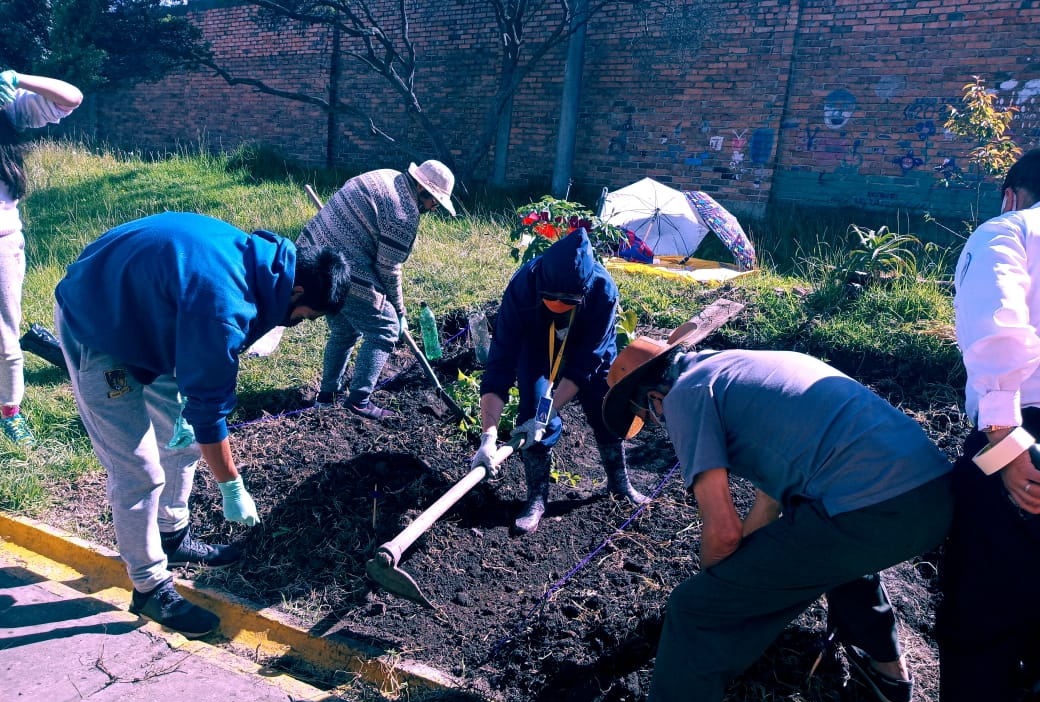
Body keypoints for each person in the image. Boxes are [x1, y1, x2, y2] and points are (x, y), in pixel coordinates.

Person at [579, 334, 953, 702]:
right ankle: (888, 674)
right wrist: (739, 576)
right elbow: (771, 503)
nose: (657, 421)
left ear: (652, 397)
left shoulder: (684, 396)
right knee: (825, 544)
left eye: (648, 416)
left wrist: (715, 592)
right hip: (931, 493)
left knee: (694, 611)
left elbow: (722, 530)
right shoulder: (743, 367)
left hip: (870, 509)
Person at [54, 212, 350, 638]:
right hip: (98, 325)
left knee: (184, 440)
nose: (300, 322)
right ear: (297, 291)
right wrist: (232, 486)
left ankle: (171, 534)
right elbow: (210, 411)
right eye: (306, 314)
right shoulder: (223, 307)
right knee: (139, 472)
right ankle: (150, 586)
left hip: (148, 314)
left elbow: (203, 395)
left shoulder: (261, 261)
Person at [921, 148, 1040, 702]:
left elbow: (997, 330)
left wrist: (1005, 440)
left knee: (983, 609)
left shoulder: (1010, 230)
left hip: (1023, 431)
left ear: (1013, 192)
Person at [470, 227, 647, 535]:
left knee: (604, 406)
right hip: (537, 346)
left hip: (588, 349)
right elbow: (500, 364)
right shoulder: (523, 287)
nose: (557, 305)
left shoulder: (603, 290)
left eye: (567, 301)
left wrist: (548, 412)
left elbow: (584, 364)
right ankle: (537, 498)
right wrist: (489, 435)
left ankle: (620, 484)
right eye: (551, 298)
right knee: (532, 410)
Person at [296, 160, 456, 420]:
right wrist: (399, 311)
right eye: (434, 202)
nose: (433, 208)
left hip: (312, 257)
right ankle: (359, 401)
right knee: (385, 328)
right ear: (422, 189)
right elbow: (388, 268)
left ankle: (327, 397)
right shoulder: (405, 213)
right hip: (341, 267)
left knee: (345, 329)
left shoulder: (384, 175)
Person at [0, 69, 82, 447]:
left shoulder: (9, 109)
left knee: (5, 334)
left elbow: (70, 98)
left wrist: (16, 79)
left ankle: (9, 411)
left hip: (2, 242)